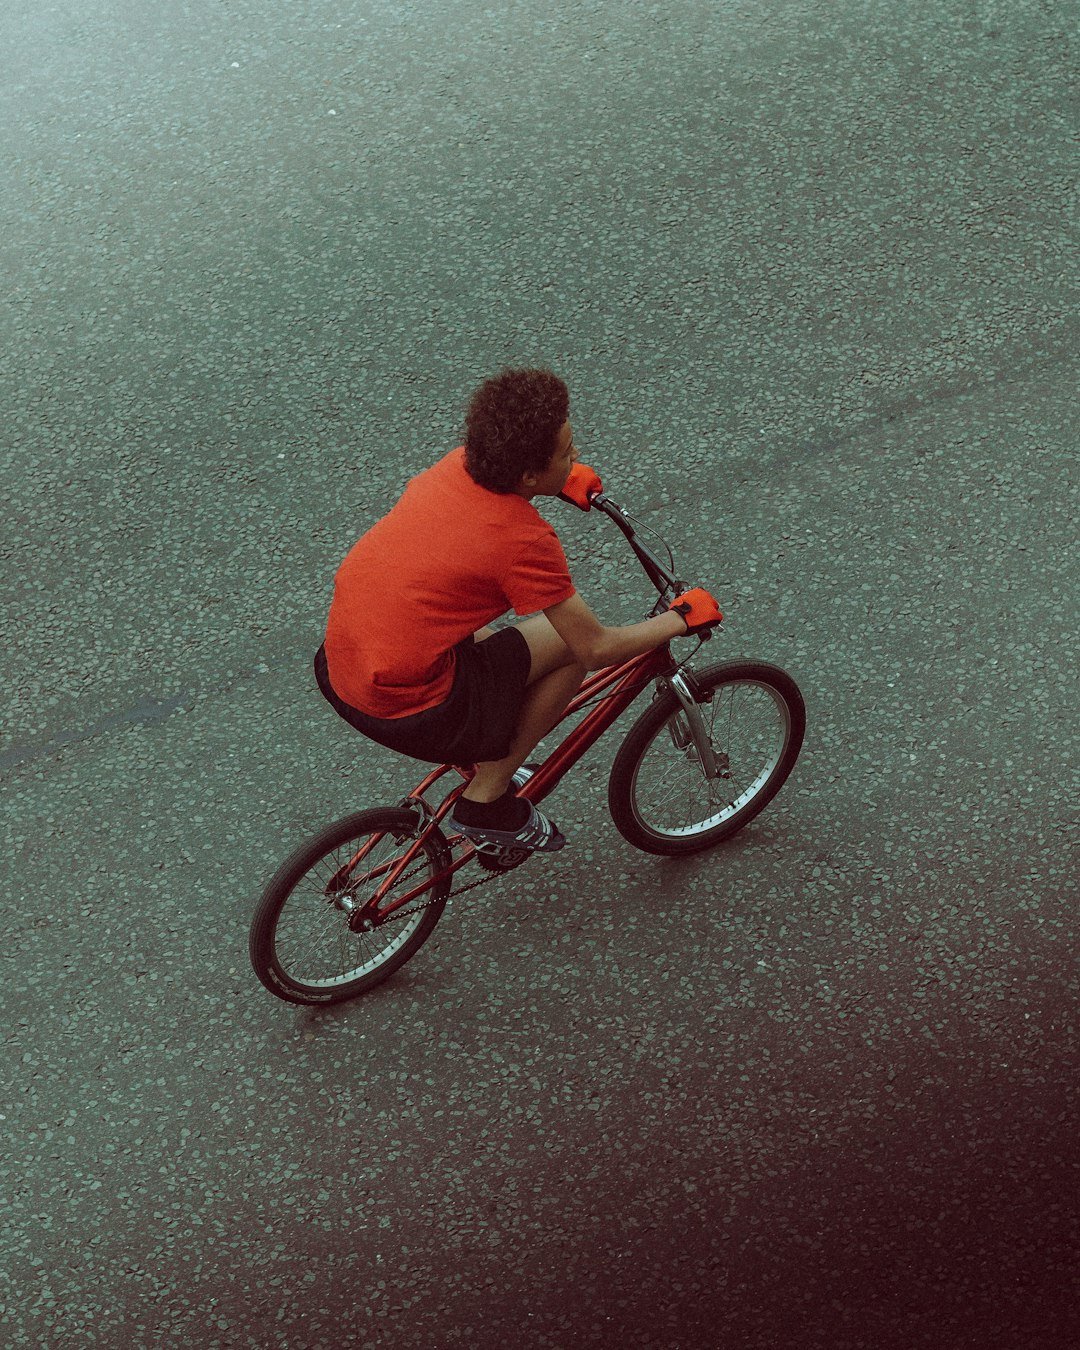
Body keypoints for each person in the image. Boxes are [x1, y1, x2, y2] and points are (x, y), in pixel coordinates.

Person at [314, 367, 721, 855]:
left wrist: (559, 478)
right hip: (412, 710)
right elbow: (595, 648)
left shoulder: (455, 467)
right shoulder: (524, 542)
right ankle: (486, 799)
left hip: (344, 668)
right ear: (528, 474)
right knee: (567, 649)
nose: (577, 458)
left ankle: (486, 754)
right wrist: (680, 617)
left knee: (494, 634)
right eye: (567, 453)